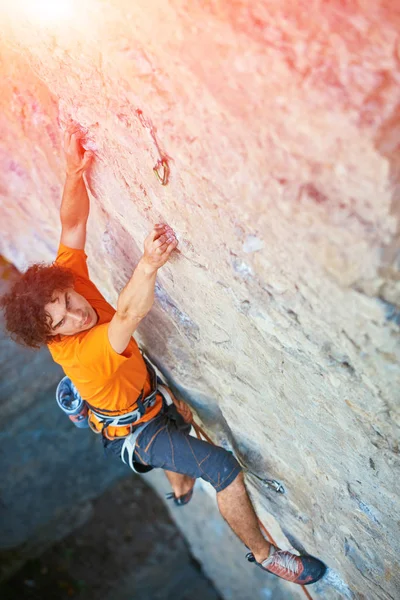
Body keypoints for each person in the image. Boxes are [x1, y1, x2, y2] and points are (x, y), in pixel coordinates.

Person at [0, 127, 326, 586]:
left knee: (181, 469)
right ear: (53, 338)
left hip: (136, 392)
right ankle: (266, 554)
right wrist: (149, 263)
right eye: (63, 321)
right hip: (139, 423)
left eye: (70, 302)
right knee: (220, 469)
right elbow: (129, 314)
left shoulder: (64, 288)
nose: (78, 313)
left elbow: (72, 225)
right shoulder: (83, 352)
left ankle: (175, 483)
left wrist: (74, 173)